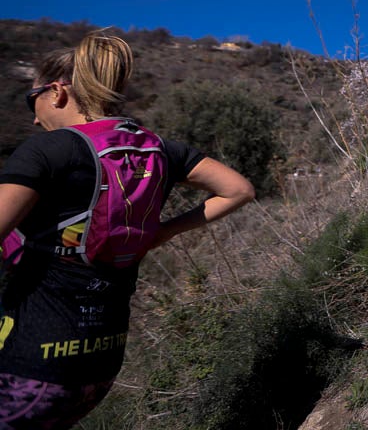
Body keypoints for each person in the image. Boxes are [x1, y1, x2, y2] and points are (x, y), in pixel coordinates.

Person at [0, 32, 255, 428]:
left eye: (31, 99)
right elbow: (238, 190)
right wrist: (162, 233)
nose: (34, 117)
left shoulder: (47, 151)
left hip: (26, 364)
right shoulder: (158, 148)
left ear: (56, 92)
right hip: (98, 366)